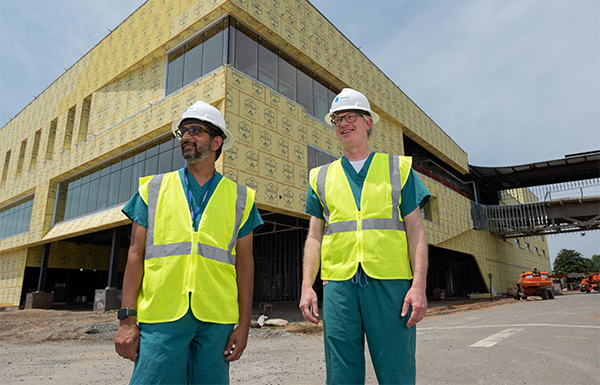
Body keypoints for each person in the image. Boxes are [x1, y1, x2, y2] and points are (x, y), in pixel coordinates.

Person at [115, 101, 263, 384]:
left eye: (196, 131)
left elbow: (245, 265)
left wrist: (244, 325)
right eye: (183, 131)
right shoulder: (153, 189)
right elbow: (135, 254)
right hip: (162, 315)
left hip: (216, 320)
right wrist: (127, 318)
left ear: (217, 141)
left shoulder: (241, 198)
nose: (186, 137)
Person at [299, 88, 430, 384]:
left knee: (397, 370)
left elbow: (416, 232)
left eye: (350, 117)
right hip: (339, 285)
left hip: (391, 284)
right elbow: (314, 237)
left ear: (368, 122)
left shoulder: (398, 169)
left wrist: (419, 286)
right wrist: (308, 285)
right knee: (341, 372)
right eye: (337, 120)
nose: (343, 124)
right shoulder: (320, 177)